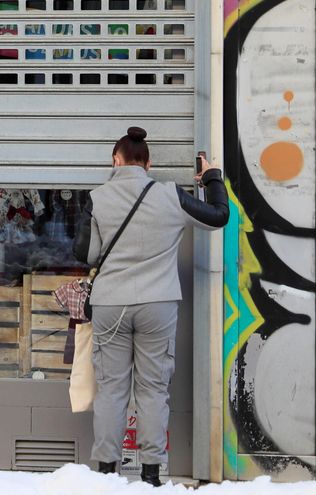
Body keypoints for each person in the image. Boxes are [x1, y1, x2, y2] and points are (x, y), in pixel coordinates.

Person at [73, 127, 229, 486]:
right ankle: (151, 474)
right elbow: (219, 216)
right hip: (157, 303)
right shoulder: (169, 195)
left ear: (115, 160)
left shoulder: (97, 197)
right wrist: (211, 177)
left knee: (112, 388)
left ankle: (107, 473)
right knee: (153, 389)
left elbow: (87, 254)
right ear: (149, 164)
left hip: (111, 304)